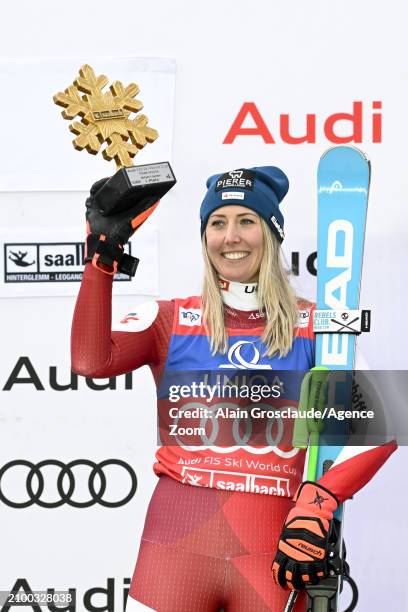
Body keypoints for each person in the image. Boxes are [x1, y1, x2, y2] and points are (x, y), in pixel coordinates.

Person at [71, 166, 396, 611]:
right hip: (175, 549)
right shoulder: (170, 318)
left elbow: (380, 425)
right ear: (205, 238)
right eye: (217, 223)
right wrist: (101, 261)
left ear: (271, 233)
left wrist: (320, 501)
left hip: (272, 550)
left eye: (247, 221)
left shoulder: (317, 326)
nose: (231, 236)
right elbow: (91, 361)